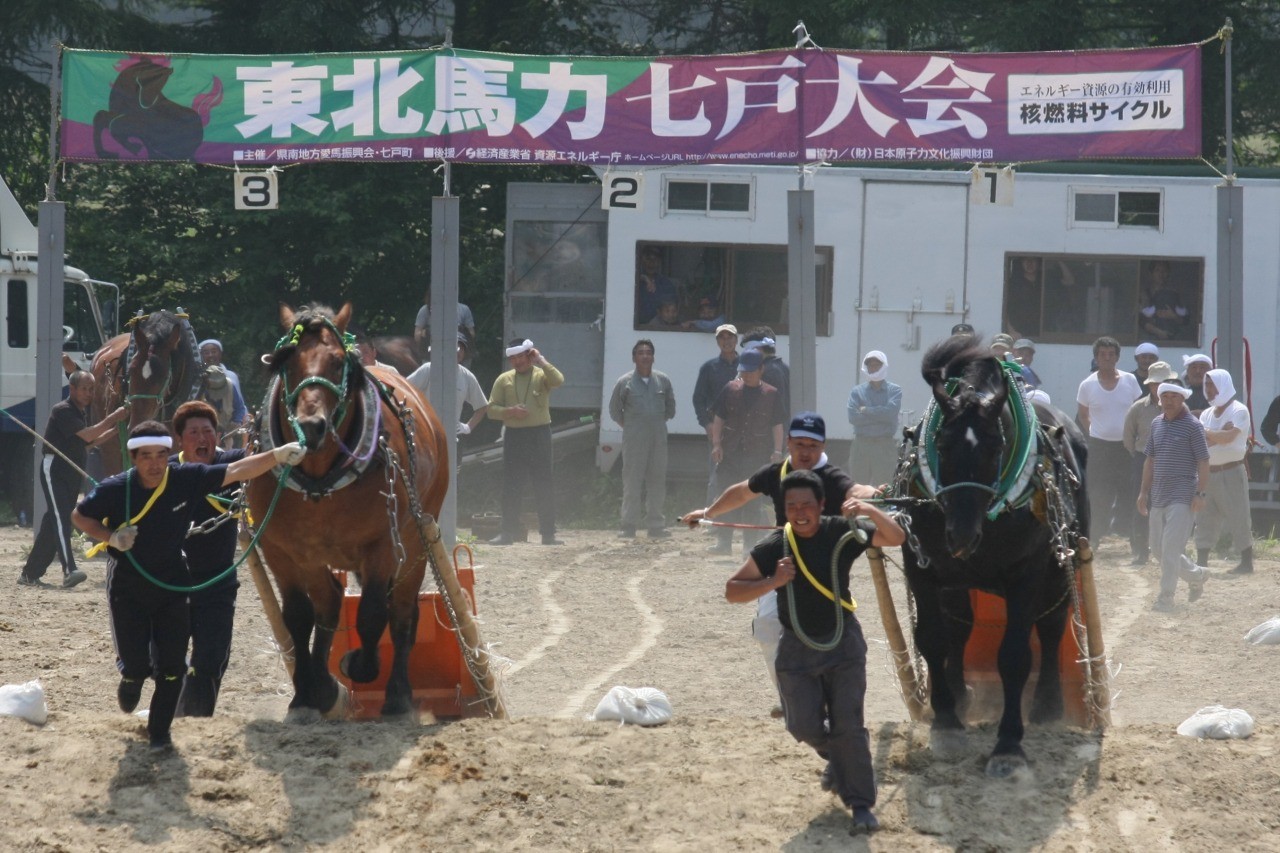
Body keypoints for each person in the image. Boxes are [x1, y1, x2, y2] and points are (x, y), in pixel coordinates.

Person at [72, 420, 306, 749]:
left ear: (169, 454)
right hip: (129, 587)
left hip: (173, 586)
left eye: (159, 455)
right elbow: (79, 516)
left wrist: (278, 454)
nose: (154, 464)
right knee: (139, 664)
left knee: (173, 668)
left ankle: (160, 736)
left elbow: (238, 469)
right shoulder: (116, 488)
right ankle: (132, 677)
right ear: (134, 458)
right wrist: (112, 537)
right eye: (146, 456)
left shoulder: (185, 479)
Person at [724, 468, 904, 834]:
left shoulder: (841, 531)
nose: (800, 512)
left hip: (844, 644)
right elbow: (732, 590)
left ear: (823, 505)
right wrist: (773, 581)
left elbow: (895, 537)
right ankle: (842, 757)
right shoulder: (777, 545)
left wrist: (869, 511)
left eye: (808, 504)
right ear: (784, 509)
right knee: (801, 726)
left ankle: (861, 806)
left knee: (848, 725)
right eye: (792, 506)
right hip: (796, 649)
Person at [683, 412, 880, 713]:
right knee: (766, 625)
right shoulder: (776, 472)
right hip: (782, 556)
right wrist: (709, 512)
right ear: (788, 443)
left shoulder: (833, 477)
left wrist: (873, 495)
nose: (806, 452)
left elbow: (856, 491)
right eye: (799, 444)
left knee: (826, 630)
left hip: (823, 564)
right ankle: (791, 697)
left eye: (813, 446)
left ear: (822, 446)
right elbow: (741, 492)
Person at [170, 401, 247, 717]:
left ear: (218, 435)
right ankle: (174, 711)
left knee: (211, 659)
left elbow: (259, 459)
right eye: (194, 433)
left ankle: (196, 722)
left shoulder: (232, 465)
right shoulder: (165, 471)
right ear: (180, 440)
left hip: (217, 583)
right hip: (171, 585)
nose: (202, 438)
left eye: (208, 431)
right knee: (166, 662)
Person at [18, 371, 128, 588]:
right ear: (72, 389)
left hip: (71, 470)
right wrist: (114, 417)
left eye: (91, 389)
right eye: (84, 388)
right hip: (55, 469)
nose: (88, 393)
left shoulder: (80, 414)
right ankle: (69, 569)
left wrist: (117, 429)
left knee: (53, 521)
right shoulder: (63, 410)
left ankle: (30, 573)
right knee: (61, 519)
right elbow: (88, 435)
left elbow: (87, 443)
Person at [1136, 382, 1209, 612]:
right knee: (1157, 549)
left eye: (1173, 396)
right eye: (1164, 396)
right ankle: (1197, 575)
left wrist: (1200, 493)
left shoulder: (1193, 426)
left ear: (1182, 399)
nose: (1168, 400)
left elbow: (1204, 461)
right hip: (1158, 494)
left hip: (1183, 493)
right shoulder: (1156, 424)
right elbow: (1150, 461)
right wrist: (1143, 492)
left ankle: (1165, 598)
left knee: (1170, 548)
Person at [706, 348, 786, 554]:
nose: (746, 375)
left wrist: (778, 451)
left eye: (751, 371)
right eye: (744, 371)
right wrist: (716, 444)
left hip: (756, 456)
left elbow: (777, 425)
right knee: (726, 498)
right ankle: (723, 543)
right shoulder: (730, 389)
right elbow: (719, 419)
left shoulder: (772, 394)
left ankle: (749, 547)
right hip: (730, 454)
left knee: (752, 501)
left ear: (761, 369)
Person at [486, 339, 565, 545]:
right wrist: (511, 412)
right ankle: (507, 533)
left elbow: (558, 381)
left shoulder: (541, 375)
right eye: (512, 358)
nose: (517, 362)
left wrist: (541, 360)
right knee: (512, 485)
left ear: (529, 355)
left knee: (544, 483)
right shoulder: (504, 379)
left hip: (540, 434)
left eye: (520, 357)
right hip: (514, 435)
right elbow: (491, 409)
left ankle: (548, 533)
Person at [1076, 336, 1143, 542]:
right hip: (1099, 448)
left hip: (1126, 446)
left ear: (1117, 357)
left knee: (1130, 493)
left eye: (1111, 354)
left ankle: (1134, 541)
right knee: (1098, 495)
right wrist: (1093, 432)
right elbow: (1083, 414)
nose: (1107, 358)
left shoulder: (1129, 381)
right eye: (1102, 354)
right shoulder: (1087, 385)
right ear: (1096, 358)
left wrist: (1134, 435)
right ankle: (1094, 539)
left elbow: (1138, 409)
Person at [608, 339, 676, 539]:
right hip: (634, 439)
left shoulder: (663, 381)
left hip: (658, 439)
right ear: (634, 357)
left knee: (657, 481)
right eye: (640, 353)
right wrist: (632, 426)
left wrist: (652, 423)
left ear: (653, 357)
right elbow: (614, 411)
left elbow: (670, 409)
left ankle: (656, 525)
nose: (645, 356)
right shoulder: (625, 382)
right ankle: (628, 525)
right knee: (632, 481)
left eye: (648, 352)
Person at [1196, 369, 1255, 576]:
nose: (1208, 389)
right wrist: (1218, 433)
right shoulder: (1206, 413)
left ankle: (1247, 562)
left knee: (1239, 516)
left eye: (1212, 385)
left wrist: (1210, 434)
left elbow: (1229, 438)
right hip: (1207, 471)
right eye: (1207, 385)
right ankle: (1201, 561)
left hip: (1231, 471)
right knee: (1204, 515)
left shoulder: (1239, 410)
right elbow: (1207, 441)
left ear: (1223, 385)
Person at [1122, 361, 1177, 566]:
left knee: (1170, 505)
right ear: (1150, 385)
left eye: (1164, 382)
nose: (1160, 387)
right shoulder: (1138, 408)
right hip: (1143, 460)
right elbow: (1128, 437)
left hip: (1171, 462)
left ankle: (1166, 549)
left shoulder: (1180, 409)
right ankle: (1140, 550)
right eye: (1156, 383)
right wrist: (1140, 456)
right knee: (1142, 503)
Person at [407, 333, 490, 436]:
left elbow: (482, 406)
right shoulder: (429, 369)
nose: (458, 351)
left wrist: (467, 427)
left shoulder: (467, 376)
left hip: (452, 436)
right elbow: (403, 390)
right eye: (455, 347)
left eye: (462, 348)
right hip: (426, 434)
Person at [692, 324, 740, 503]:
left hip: (742, 430)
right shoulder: (708, 368)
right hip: (717, 431)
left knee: (742, 474)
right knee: (716, 475)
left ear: (737, 340)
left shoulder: (746, 367)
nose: (726, 341)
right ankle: (714, 521)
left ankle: (740, 518)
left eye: (730, 337)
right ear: (717, 342)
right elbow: (698, 399)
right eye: (722, 338)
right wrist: (707, 424)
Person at [845, 350, 902, 489]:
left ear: (884, 366)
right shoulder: (857, 391)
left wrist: (866, 410)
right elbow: (853, 417)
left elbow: (890, 413)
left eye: (877, 365)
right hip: (861, 445)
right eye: (870, 365)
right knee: (858, 487)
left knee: (885, 489)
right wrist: (880, 415)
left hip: (884, 445)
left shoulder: (895, 390)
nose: (873, 368)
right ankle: (860, 511)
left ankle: (882, 511)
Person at [198, 339, 249, 446]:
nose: (210, 355)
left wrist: (237, 421)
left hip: (229, 430)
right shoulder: (197, 382)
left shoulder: (231, 381)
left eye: (213, 351)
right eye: (206, 352)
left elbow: (240, 406)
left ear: (220, 353)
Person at [414, 294, 476, 360]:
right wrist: (426, 332)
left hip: (457, 353)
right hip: (432, 353)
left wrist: (460, 331)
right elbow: (417, 335)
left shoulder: (464, 309)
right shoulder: (425, 310)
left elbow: (471, 333)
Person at [1139, 261, 1189, 341]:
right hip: (1149, 340)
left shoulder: (1174, 294)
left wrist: (1173, 316)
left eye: (1164, 271)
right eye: (1157, 270)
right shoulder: (1144, 294)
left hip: (1174, 340)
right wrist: (1158, 332)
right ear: (1151, 274)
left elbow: (1186, 320)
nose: (1161, 274)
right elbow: (1140, 320)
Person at [635, 246, 678, 326]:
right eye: (648, 259)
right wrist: (643, 278)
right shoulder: (633, 280)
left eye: (655, 259)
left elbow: (672, 310)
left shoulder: (666, 284)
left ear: (659, 262)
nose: (651, 263)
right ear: (642, 260)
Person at [1004, 256, 1043, 339]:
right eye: (1025, 260)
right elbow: (1004, 307)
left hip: (1040, 332)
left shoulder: (1044, 281)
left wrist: (1059, 257)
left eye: (1033, 260)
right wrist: (1011, 330)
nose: (1029, 263)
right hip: (1018, 333)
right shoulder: (1013, 284)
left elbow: (1069, 280)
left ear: (1039, 263)